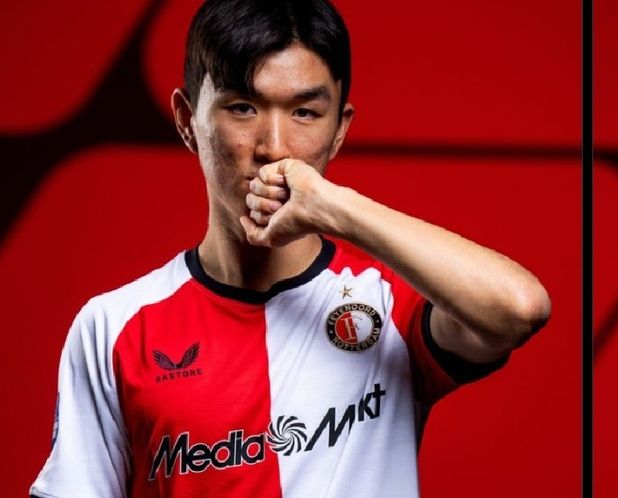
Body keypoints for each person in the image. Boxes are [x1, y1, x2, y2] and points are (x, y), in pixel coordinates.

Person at [30, 0, 551, 497]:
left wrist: (336, 207)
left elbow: (519, 308)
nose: (274, 148)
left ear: (339, 130)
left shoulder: (388, 302)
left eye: (305, 113)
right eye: (242, 107)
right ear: (188, 121)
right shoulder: (113, 327)